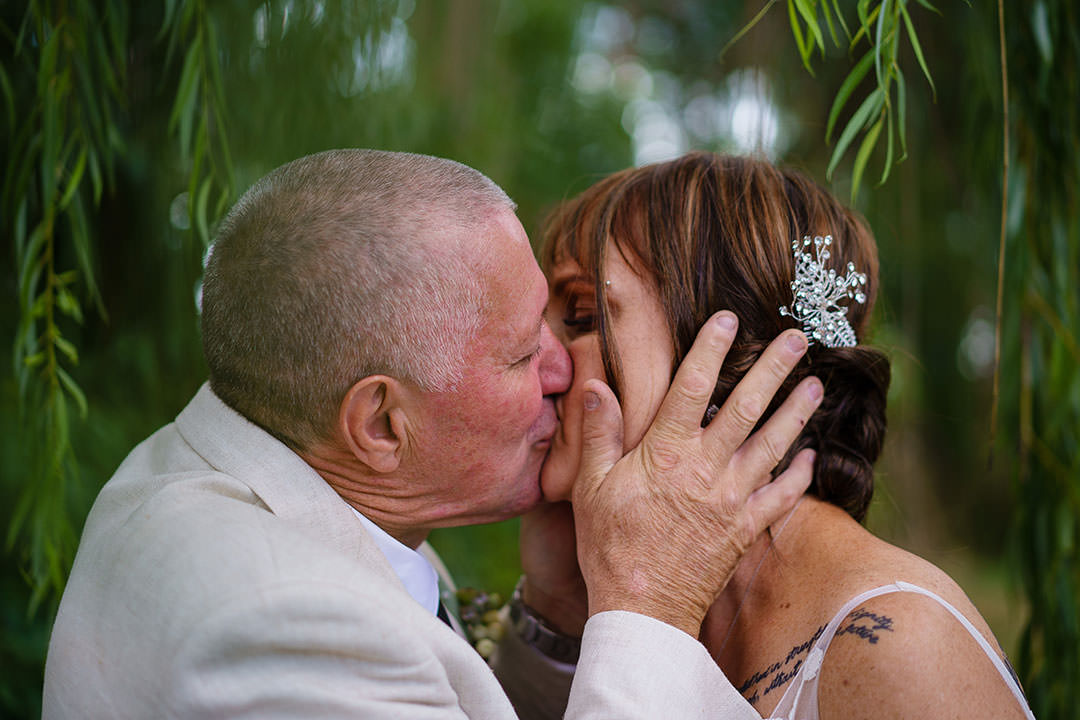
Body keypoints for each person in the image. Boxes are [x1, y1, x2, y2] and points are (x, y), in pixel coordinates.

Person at [42, 149, 822, 719]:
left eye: (569, 317)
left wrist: (556, 616)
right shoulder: (283, 621)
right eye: (524, 353)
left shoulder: (253, 472)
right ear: (382, 425)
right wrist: (649, 606)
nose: (566, 368)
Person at [540, 152, 1036, 720]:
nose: (539, 355)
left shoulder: (898, 649)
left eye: (580, 313)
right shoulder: (625, 603)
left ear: (723, 348)